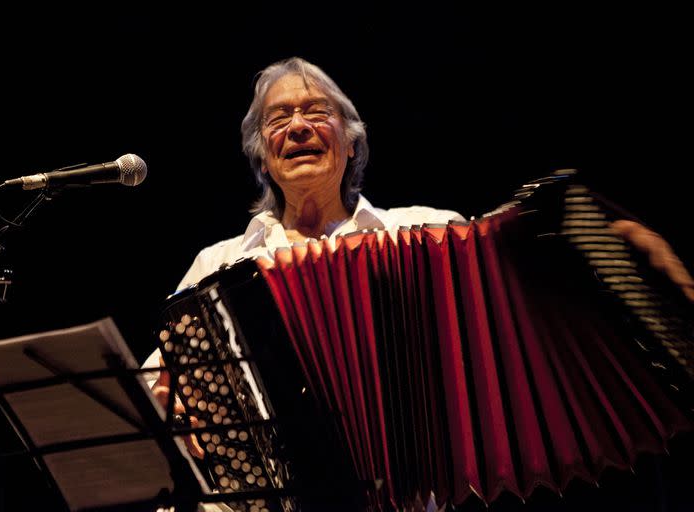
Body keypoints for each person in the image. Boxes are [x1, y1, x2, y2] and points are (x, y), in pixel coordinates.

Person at [146, 57, 694, 512]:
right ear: (263, 156)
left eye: (318, 112)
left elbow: (511, 304)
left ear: (351, 143)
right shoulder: (217, 267)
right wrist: (173, 411)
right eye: (278, 119)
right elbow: (150, 391)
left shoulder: (426, 232)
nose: (298, 127)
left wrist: (602, 249)